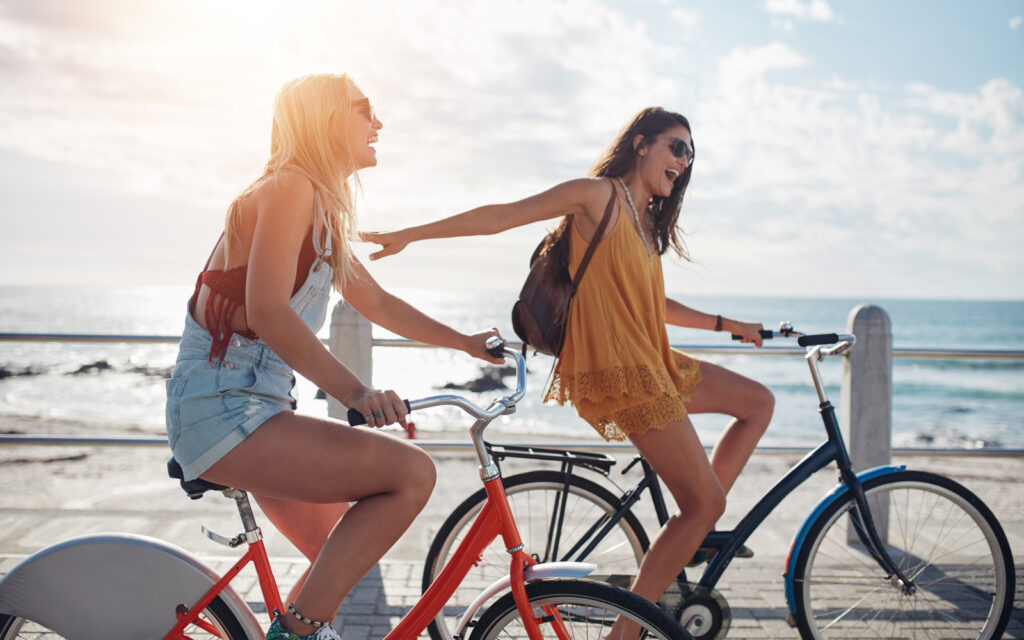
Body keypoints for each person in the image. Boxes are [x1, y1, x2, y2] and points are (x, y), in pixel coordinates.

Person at [364, 107, 775, 630]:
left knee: (758, 403)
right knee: (704, 503)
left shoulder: (646, 221)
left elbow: (655, 303)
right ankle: (636, 619)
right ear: (641, 144)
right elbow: (500, 216)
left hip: (654, 360)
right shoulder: (596, 195)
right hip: (622, 371)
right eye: (677, 147)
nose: (684, 161)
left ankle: (693, 529)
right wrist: (411, 235)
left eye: (691, 154)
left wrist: (729, 324)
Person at [164, 73, 500, 640]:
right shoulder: (289, 187)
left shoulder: (320, 211)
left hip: (255, 408)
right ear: (325, 119)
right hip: (222, 410)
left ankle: (298, 631)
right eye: (365, 109)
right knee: (412, 473)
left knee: (336, 561)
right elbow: (268, 311)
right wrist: (357, 394)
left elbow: (378, 301)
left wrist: (465, 343)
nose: (379, 123)